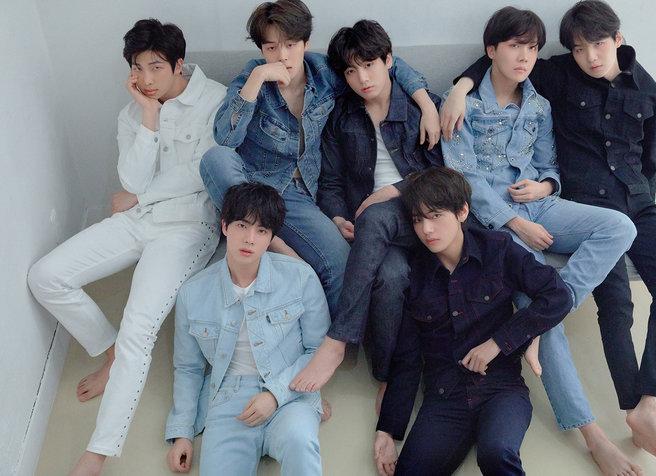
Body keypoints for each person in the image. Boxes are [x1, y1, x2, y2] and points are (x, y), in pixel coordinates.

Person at [444, 0, 656, 463]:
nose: (590, 56)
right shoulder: (536, 82)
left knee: (642, 254)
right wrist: (458, 88)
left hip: (585, 203)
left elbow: (638, 158)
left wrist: (546, 184)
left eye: (598, 44)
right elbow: (464, 178)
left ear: (618, 40)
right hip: (510, 215)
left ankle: (555, 320)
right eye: (579, 48)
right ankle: (595, 436)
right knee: (587, 300)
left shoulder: (547, 101)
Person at [27, 19, 225, 475]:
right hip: (138, 221)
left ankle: (97, 452)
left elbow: (204, 171)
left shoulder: (215, 101)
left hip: (187, 228)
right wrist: (149, 117)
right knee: (46, 276)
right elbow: (131, 180)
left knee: (139, 326)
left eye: (156, 67)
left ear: (179, 63)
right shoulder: (132, 113)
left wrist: (141, 196)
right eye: (138, 68)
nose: (146, 78)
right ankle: (110, 352)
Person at [199, 0, 440, 318]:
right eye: (271, 48)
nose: (282, 56)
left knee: (340, 262)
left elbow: (385, 64)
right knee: (215, 159)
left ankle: (337, 338)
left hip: (299, 194)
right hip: (253, 181)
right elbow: (226, 138)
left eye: (290, 44)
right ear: (261, 50)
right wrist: (257, 78)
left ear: (305, 42)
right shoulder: (252, 77)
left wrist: (427, 103)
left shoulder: (326, 74)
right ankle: (272, 241)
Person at [373, 167, 572, 476]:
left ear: (462, 211)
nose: (426, 229)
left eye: (435, 215)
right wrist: (387, 430)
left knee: (497, 452)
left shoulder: (497, 249)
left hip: (501, 389)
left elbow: (558, 296)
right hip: (445, 398)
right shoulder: (416, 277)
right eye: (417, 220)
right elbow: (408, 358)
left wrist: (498, 343)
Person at [289, 20, 442, 408]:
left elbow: (448, 173)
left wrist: (394, 190)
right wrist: (336, 217)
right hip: (375, 232)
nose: (362, 78)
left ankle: (337, 339)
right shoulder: (341, 116)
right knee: (390, 276)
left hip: (424, 215)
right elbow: (331, 182)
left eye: (369, 65)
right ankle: (386, 375)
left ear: (389, 61)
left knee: (375, 215)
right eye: (351, 71)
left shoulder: (423, 107)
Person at [165, 183, 329, 476]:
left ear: (271, 238)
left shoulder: (300, 277)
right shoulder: (193, 293)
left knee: (300, 442)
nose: (250, 239)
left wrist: (275, 395)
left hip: (289, 393)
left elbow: (319, 350)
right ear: (225, 226)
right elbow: (188, 368)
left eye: (262, 231)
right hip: (228, 399)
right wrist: (182, 433)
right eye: (242, 225)